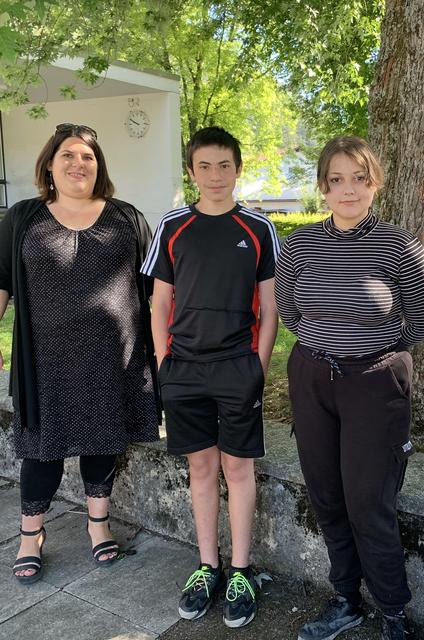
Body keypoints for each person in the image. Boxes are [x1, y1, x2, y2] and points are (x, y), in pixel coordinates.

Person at [275, 136, 424, 640]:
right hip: (312, 379)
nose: (348, 189)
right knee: (326, 494)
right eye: (337, 179)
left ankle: (393, 611)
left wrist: (373, 351)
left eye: (359, 178)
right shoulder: (299, 244)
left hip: (374, 384)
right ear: (323, 186)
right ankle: (346, 599)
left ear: (376, 184)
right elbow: (289, 310)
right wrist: (326, 348)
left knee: (369, 499)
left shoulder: (399, 246)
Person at [0, 123, 161, 584]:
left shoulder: (127, 217)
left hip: (114, 357)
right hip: (44, 361)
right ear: (49, 164)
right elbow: (1, 281)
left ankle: (98, 524)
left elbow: (155, 290)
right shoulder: (23, 218)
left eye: (88, 157)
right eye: (67, 155)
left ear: (99, 166)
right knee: (40, 449)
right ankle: (31, 535)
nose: (78, 164)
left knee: (103, 440)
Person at [141, 126, 279, 627]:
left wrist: (257, 368)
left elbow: (269, 305)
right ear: (191, 171)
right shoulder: (174, 225)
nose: (216, 176)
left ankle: (240, 570)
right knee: (200, 470)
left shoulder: (259, 228)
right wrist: (163, 361)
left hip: (237, 369)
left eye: (225, 165)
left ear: (237, 169)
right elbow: (159, 303)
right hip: (184, 371)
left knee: (237, 470)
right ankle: (208, 566)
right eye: (205, 166)